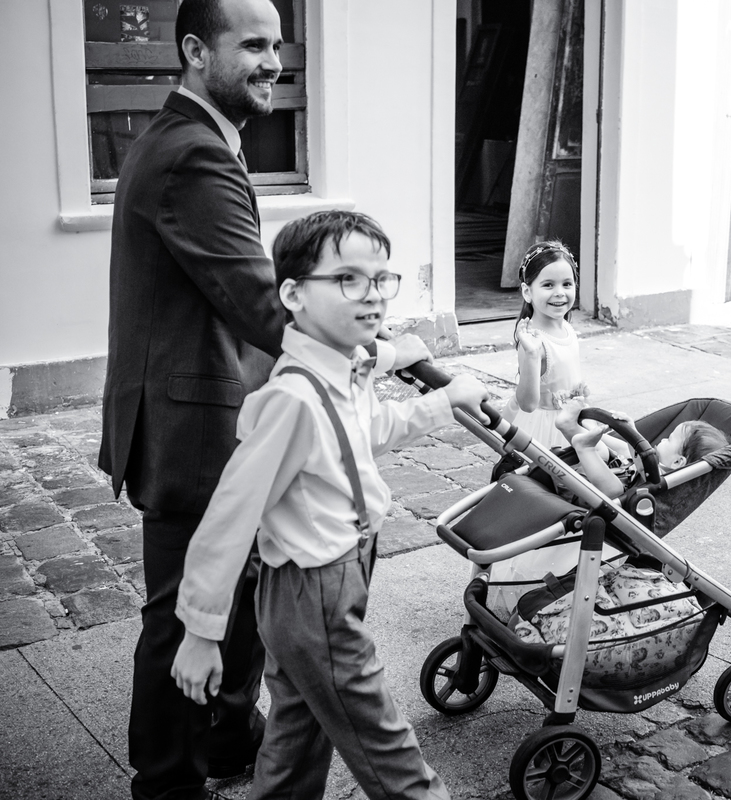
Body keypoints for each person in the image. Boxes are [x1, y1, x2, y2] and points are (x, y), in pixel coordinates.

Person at [170, 210, 488, 800]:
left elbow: (367, 429)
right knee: (387, 747)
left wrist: (437, 397)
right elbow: (229, 518)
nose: (372, 295)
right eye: (347, 279)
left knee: (298, 734)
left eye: (381, 279)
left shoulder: (342, 368)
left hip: (336, 576)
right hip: (312, 591)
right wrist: (200, 632)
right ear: (293, 295)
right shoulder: (292, 399)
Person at [98, 0, 292, 796]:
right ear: (194, 50)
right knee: (186, 613)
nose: (273, 61)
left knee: (232, 588)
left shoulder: (190, 139)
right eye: (253, 45)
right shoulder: (193, 155)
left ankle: (227, 737)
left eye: (277, 44)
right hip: (191, 420)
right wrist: (367, 342)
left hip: (200, 406)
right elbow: (257, 301)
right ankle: (167, 780)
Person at [501, 240, 589, 447]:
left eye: (567, 284)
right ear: (527, 292)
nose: (559, 292)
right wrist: (532, 355)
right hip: (545, 429)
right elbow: (528, 404)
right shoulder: (533, 343)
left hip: (570, 419)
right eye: (548, 285)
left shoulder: (566, 327)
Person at [555, 405, 731, 498]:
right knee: (606, 449)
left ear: (678, 462)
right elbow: (626, 450)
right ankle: (574, 428)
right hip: (607, 474)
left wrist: (634, 436)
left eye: (669, 439)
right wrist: (630, 431)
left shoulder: (664, 479)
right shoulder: (657, 463)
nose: (663, 439)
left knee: (614, 488)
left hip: (590, 494)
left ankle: (585, 447)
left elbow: (642, 465)